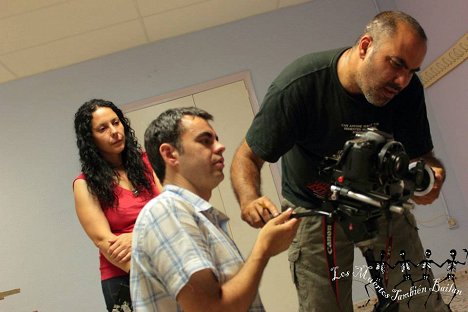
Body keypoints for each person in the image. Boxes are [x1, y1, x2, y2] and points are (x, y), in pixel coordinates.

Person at [231, 11, 449, 312]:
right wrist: (248, 199)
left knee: (420, 303)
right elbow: (247, 155)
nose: (402, 80)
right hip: (314, 208)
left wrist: (431, 176)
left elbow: (421, 156)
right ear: (364, 46)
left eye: (412, 70)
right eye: (396, 63)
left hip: (380, 202)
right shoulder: (299, 85)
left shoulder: (408, 91)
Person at [130, 107, 300, 311]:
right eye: (205, 140)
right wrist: (263, 250)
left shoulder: (198, 216)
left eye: (216, 139)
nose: (220, 147)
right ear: (170, 154)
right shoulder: (166, 211)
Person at [73, 99, 161, 311]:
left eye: (116, 122)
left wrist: (137, 237)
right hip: (123, 275)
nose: (114, 131)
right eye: (103, 128)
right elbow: (105, 241)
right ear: (90, 139)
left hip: (166, 262)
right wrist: (145, 272)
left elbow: (173, 212)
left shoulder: (150, 162)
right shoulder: (85, 184)